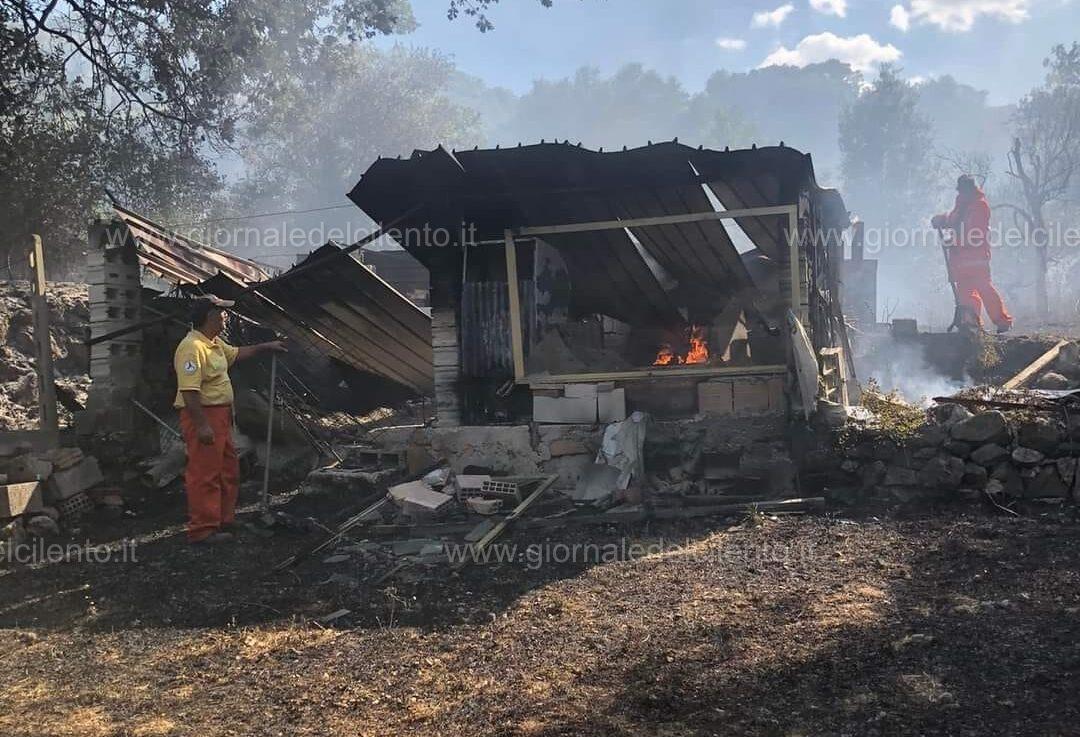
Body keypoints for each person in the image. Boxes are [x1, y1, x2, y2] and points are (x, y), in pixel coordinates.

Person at [173, 296, 286, 544]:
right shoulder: (191, 347)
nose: (226, 316)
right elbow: (189, 391)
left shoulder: (213, 344)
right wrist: (202, 425)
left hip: (222, 415)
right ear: (210, 316)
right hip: (203, 415)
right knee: (205, 472)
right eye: (222, 312)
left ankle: (224, 520)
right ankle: (202, 530)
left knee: (227, 469)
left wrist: (266, 347)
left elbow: (235, 354)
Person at [931, 174, 1013, 333]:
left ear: (971, 189)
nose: (962, 193)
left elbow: (975, 234)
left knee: (985, 290)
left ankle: (1003, 322)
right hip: (960, 261)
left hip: (977, 260)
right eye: (960, 191)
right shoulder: (961, 204)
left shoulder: (980, 206)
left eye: (964, 190)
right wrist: (941, 220)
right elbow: (954, 220)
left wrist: (953, 242)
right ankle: (972, 325)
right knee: (966, 295)